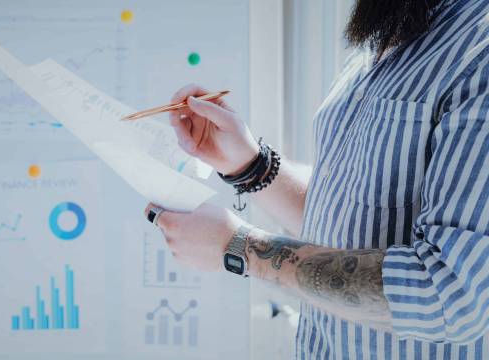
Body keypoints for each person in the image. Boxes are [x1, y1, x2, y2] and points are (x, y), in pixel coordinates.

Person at [144, 0, 489, 358]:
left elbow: (453, 296)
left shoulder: (479, 55)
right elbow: (351, 218)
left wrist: (239, 247)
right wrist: (250, 165)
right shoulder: (381, 33)